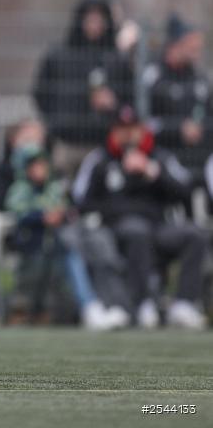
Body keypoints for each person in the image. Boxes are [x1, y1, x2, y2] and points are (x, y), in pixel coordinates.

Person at [71, 106, 208, 329]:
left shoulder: (159, 156)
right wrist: (115, 206)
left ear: (142, 130)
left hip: (158, 227)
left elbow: (185, 190)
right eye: (123, 129)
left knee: (195, 236)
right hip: (118, 228)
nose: (129, 134)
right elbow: (80, 199)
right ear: (114, 131)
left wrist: (154, 173)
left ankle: (184, 304)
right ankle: (143, 303)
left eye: (133, 128)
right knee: (137, 231)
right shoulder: (100, 160)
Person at [4, 144, 127, 329]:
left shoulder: (55, 188)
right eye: (35, 165)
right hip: (34, 247)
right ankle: (89, 306)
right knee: (70, 254)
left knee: (95, 246)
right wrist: (42, 217)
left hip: (59, 244)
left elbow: (70, 209)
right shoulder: (19, 190)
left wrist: (62, 214)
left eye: (42, 164)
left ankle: (106, 303)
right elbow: (18, 214)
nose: (40, 169)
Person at [33, 0, 119, 177]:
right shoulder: (58, 55)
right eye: (90, 18)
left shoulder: (116, 59)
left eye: (100, 19)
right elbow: (40, 93)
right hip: (65, 143)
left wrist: (113, 105)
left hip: (102, 144)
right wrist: (55, 122)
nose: (94, 24)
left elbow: (129, 98)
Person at [144, 14, 211, 187]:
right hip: (164, 153)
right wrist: (179, 128)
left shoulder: (200, 80)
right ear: (176, 44)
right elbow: (146, 123)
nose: (197, 48)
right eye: (192, 44)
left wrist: (200, 128)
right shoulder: (153, 77)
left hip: (199, 155)